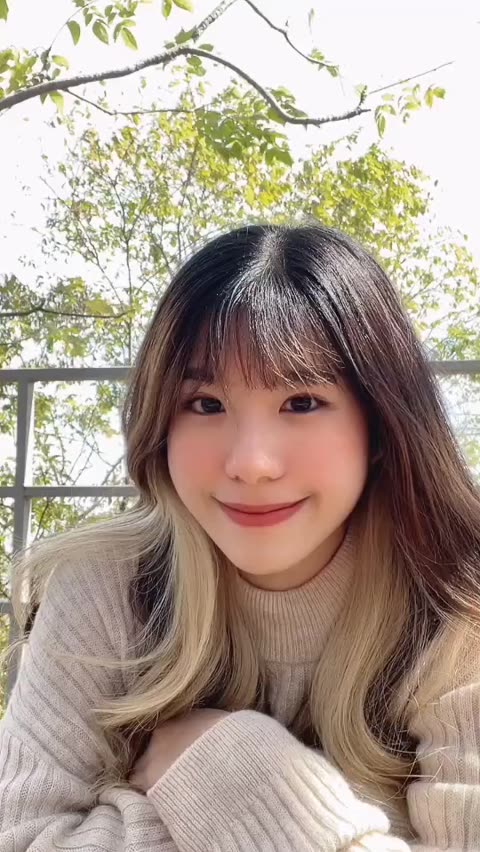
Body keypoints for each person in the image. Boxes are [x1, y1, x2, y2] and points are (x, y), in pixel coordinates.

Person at [0, 222, 479, 851]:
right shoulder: (107, 586)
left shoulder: (456, 601)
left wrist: (230, 772)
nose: (251, 463)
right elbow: (23, 835)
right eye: (205, 404)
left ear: (382, 425)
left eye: (302, 402)